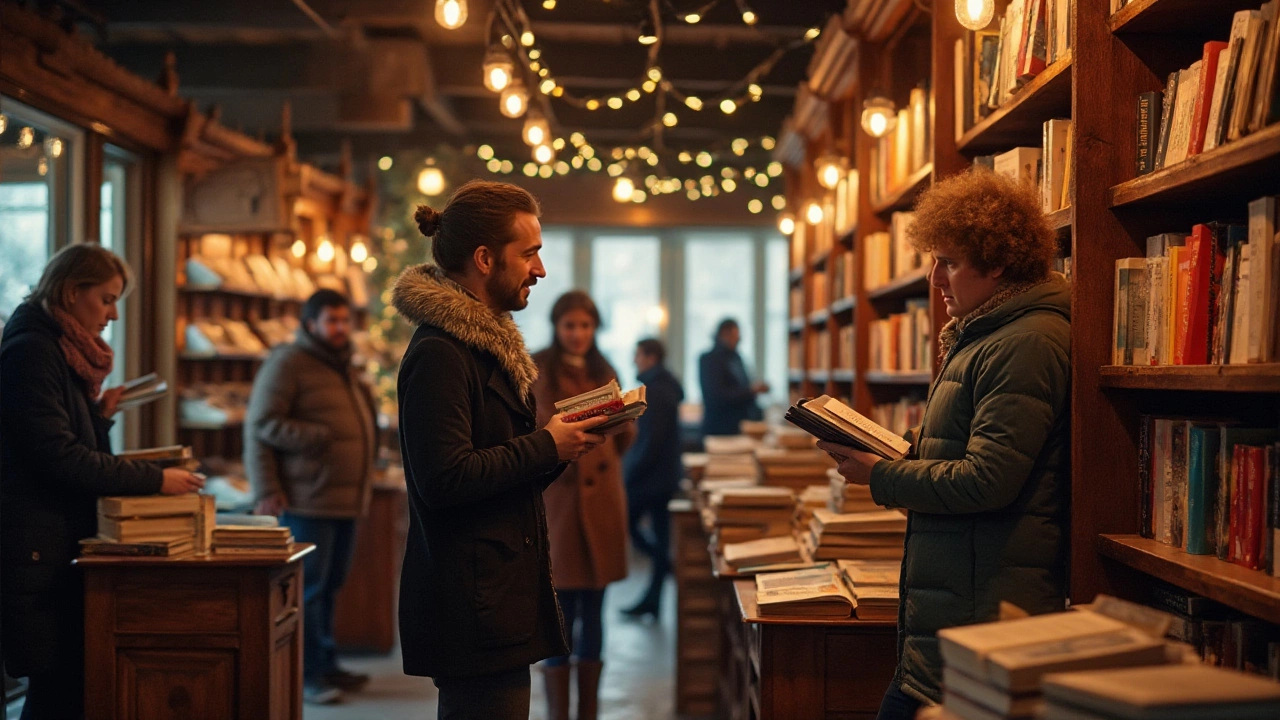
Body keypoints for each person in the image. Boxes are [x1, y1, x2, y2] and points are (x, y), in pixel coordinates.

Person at [820, 170, 1071, 720]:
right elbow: (956, 444)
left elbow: (987, 479)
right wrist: (893, 446)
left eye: (949, 262)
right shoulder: (985, 334)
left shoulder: (1024, 342)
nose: (935, 278)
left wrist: (879, 475)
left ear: (998, 262)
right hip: (958, 601)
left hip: (984, 607)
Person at [392, 180, 612, 720]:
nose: (540, 270)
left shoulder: (479, 348)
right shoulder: (441, 354)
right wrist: (546, 444)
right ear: (485, 259)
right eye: (530, 253)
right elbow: (444, 479)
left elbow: (499, 473)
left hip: (496, 597)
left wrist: (561, 447)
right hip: (473, 606)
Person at [0, 244, 205, 720]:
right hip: (37, 550)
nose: (113, 315)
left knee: (64, 688)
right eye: (107, 299)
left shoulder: (54, 349)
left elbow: (60, 443)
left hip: (51, 543)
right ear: (72, 292)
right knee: (55, 692)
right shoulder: (33, 352)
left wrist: (99, 417)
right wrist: (155, 480)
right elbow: (60, 459)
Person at [244, 288, 378, 705]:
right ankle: (307, 675)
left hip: (345, 499)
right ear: (310, 324)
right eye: (331, 320)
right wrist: (267, 488)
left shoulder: (342, 364)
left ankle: (327, 662)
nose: (340, 328)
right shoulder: (289, 363)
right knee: (309, 591)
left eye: (344, 320)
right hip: (307, 499)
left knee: (331, 586)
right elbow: (261, 424)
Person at [530, 291, 634, 720]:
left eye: (585, 326)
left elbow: (626, 433)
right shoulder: (537, 368)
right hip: (560, 505)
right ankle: (559, 712)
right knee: (558, 617)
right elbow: (534, 432)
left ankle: (587, 710)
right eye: (569, 325)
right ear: (557, 327)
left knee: (595, 613)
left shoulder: (604, 368)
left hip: (603, 503)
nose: (577, 334)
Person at [620, 338, 685, 621]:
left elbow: (650, 441)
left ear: (651, 357)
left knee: (630, 524)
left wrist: (629, 473)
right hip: (661, 476)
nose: (635, 361)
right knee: (658, 536)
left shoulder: (656, 390)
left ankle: (665, 567)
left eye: (638, 356)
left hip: (651, 478)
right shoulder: (663, 386)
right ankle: (654, 596)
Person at [698, 318, 768, 437]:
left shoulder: (736, 358)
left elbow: (742, 385)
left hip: (740, 425)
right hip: (719, 427)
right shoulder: (709, 360)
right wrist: (751, 391)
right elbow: (717, 395)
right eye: (735, 336)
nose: (738, 340)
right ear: (724, 335)